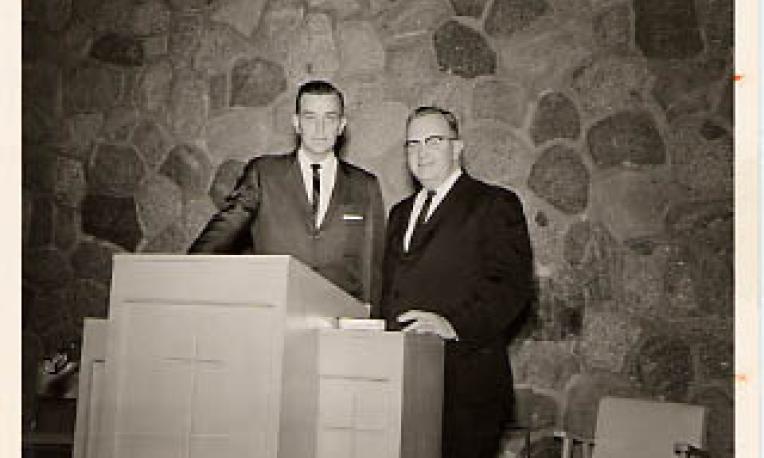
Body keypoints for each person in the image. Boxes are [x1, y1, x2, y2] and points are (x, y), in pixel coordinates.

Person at [377, 106, 534, 458]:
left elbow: (512, 286)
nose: (421, 152)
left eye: (433, 141)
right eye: (412, 144)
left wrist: (453, 324)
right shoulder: (399, 214)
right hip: (404, 384)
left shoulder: (494, 203)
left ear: (457, 147)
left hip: (467, 389)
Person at [189, 80, 385, 305]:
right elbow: (220, 233)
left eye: (329, 118)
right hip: (275, 314)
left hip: (339, 320)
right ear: (296, 123)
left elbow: (373, 270)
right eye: (310, 117)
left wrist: (371, 325)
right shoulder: (263, 174)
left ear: (341, 125)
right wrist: (182, 278)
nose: (319, 129)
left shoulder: (365, 185)